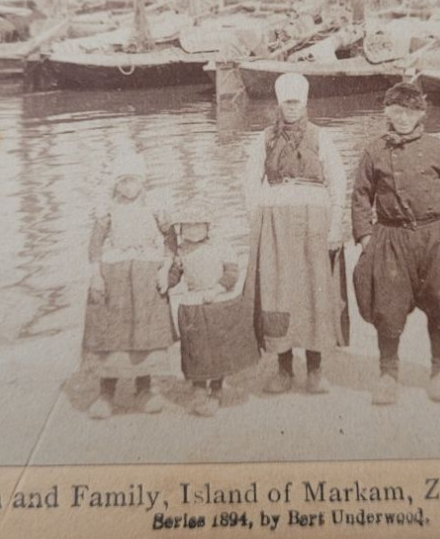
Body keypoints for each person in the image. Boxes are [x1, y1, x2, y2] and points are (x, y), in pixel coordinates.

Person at [350, 81, 440, 405]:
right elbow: (361, 196)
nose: (403, 118)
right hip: (391, 237)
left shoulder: (437, 148)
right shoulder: (374, 150)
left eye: (410, 112)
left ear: (421, 113)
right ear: (387, 113)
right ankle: (388, 375)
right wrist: (366, 238)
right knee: (388, 307)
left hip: (437, 235)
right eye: (396, 111)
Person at [243, 71, 347, 395]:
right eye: (286, 103)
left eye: (296, 103)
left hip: (314, 224)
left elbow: (338, 181)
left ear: (305, 103)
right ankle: (284, 369)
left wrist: (335, 225)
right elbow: (248, 183)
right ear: (279, 103)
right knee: (279, 293)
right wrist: (257, 220)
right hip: (275, 223)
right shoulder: (264, 139)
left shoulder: (320, 137)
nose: (291, 109)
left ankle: (315, 370)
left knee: (314, 291)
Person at [81, 148, 179, 419]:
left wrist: (165, 269)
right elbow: (95, 245)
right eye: (123, 181)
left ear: (142, 181)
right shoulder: (107, 210)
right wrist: (96, 275)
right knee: (111, 333)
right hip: (115, 274)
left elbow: (171, 240)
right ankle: (106, 393)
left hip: (146, 274)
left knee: (144, 332)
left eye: (133, 180)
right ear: (116, 184)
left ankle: (144, 388)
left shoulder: (155, 207)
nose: (128, 186)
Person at [169, 199, 260, 417]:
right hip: (194, 304)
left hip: (216, 302)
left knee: (218, 347)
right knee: (196, 348)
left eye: (198, 225)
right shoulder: (181, 253)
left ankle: (216, 388)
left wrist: (218, 288)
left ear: (208, 227)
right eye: (187, 227)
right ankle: (199, 387)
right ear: (181, 230)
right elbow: (175, 275)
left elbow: (231, 272)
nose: (192, 231)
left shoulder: (220, 246)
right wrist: (166, 280)